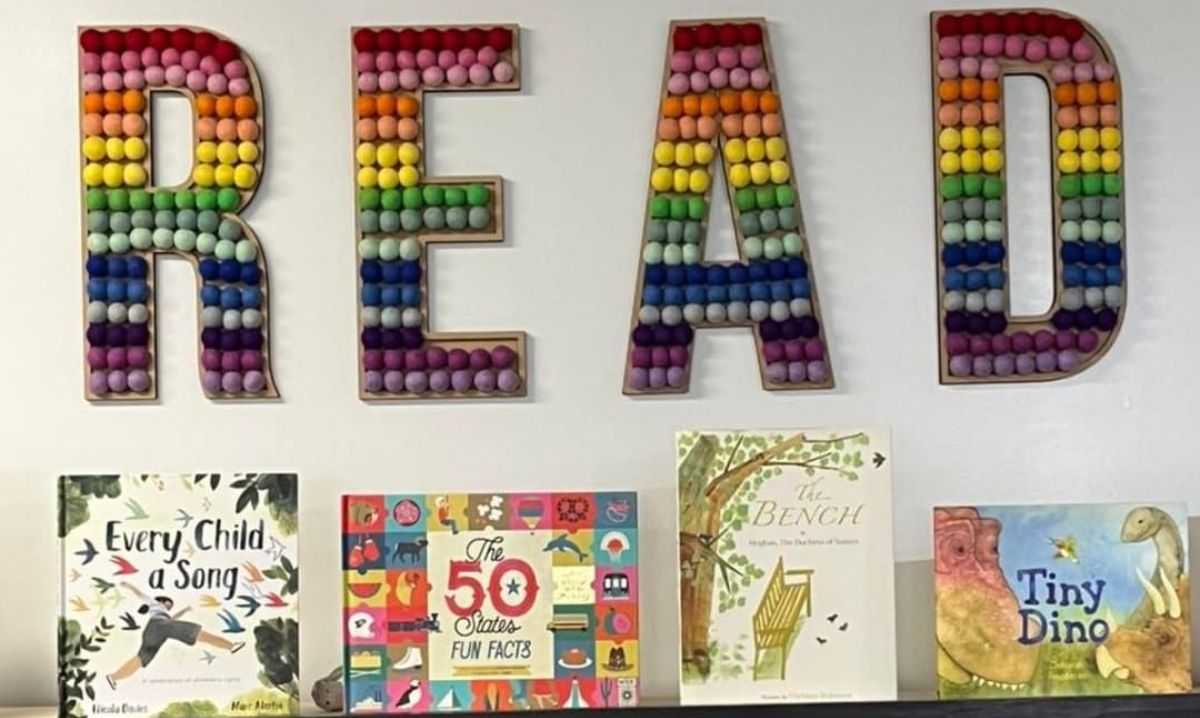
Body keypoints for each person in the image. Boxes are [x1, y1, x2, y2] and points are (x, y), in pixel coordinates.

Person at [105, 581, 244, 690]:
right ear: (161, 601)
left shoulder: (165, 615)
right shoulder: (154, 604)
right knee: (195, 631)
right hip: (160, 625)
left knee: (141, 658)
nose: (169, 606)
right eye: (168, 604)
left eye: (170, 606)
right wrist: (129, 586)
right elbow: (141, 594)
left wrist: (185, 610)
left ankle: (114, 677)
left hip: (152, 631)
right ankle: (230, 646)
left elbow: (173, 618)